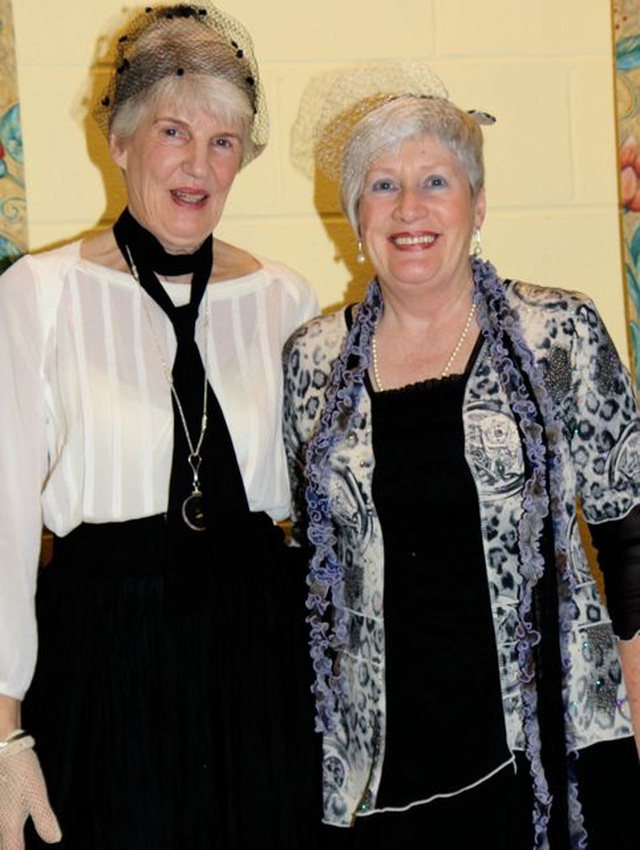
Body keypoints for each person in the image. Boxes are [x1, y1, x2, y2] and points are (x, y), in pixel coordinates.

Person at [284, 62, 640, 848]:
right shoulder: (312, 360)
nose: (409, 209)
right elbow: (313, 562)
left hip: (551, 747)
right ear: (354, 214)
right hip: (379, 769)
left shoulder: (560, 333)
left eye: (435, 182)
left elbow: (631, 539)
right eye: (382, 185)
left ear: (478, 206)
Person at [0, 4, 321, 848]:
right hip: (103, 658)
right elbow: (1, 524)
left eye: (223, 143)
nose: (198, 165)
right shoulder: (42, 294)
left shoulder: (285, 299)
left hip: (257, 661)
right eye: (174, 132)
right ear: (120, 141)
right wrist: (4, 729)